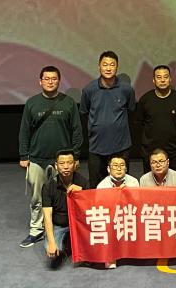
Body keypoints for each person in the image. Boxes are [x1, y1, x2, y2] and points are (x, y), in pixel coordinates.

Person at [18, 65, 82, 248]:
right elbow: (24, 131)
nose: (50, 82)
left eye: (54, 79)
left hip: (62, 161)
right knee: (36, 197)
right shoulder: (32, 103)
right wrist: (24, 155)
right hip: (37, 158)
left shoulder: (68, 103)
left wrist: (76, 155)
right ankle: (36, 230)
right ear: (40, 81)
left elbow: (77, 130)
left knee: (62, 196)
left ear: (59, 81)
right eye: (46, 78)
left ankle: (61, 228)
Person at [80, 51, 136, 187]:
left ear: (117, 67)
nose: (108, 68)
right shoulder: (89, 90)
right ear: (99, 66)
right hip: (96, 147)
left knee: (121, 186)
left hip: (121, 147)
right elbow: (84, 113)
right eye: (105, 64)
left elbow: (131, 111)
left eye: (112, 64)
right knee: (96, 186)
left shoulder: (126, 89)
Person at [134, 64, 176, 173]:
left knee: (173, 182)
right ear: (154, 80)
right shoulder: (145, 99)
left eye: (165, 77)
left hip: (173, 152)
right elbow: (138, 124)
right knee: (150, 182)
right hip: (150, 152)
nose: (162, 80)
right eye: (159, 77)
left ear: (170, 79)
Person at [41, 149, 89, 268]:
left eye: (69, 163)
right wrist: (51, 242)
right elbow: (47, 216)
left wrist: (83, 193)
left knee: (94, 247)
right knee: (53, 251)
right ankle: (66, 243)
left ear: (75, 165)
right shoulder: (48, 187)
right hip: (59, 225)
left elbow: (92, 208)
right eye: (62, 163)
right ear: (56, 166)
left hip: (79, 224)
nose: (66, 166)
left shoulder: (83, 182)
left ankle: (71, 242)